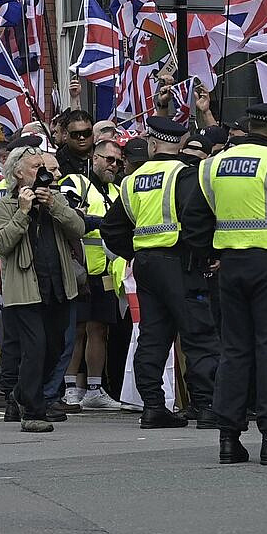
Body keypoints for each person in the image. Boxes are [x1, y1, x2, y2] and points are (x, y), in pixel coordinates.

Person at [189, 102, 267, 466]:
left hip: (228, 266)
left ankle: (229, 438)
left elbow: (195, 216)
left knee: (235, 349)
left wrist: (206, 253)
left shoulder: (212, 165)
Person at [104, 117, 218, 430]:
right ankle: (206, 406)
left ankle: (153, 405)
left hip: (145, 265)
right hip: (180, 262)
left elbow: (111, 229)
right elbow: (197, 219)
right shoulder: (185, 174)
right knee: (198, 335)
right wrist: (205, 253)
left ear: (153, 145)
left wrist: (137, 252)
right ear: (180, 144)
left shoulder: (132, 180)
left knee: (153, 337)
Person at [0, 146, 86, 433]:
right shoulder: (6, 204)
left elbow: (78, 228)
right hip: (25, 289)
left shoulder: (54, 198)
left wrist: (54, 206)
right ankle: (33, 411)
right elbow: (0, 244)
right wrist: (22, 213)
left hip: (57, 285)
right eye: (35, 167)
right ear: (18, 173)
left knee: (55, 349)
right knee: (35, 348)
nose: (42, 172)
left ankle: (21, 393)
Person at [65, 138, 127, 411]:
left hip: (105, 272)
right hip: (79, 269)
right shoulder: (76, 183)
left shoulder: (116, 191)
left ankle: (93, 388)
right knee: (76, 330)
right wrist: (97, 222)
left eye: (117, 161)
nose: (113, 165)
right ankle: (69, 388)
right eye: (108, 159)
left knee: (99, 330)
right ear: (94, 159)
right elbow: (67, 216)